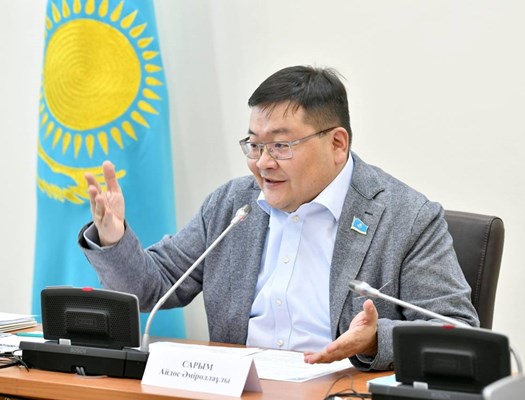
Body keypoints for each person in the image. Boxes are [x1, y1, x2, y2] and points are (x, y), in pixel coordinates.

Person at [79, 65, 478, 371]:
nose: (263, 163)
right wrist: (113, 238)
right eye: (254, 145)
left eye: (281, 145)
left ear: (337, 143)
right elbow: (153, 287)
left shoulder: (406, 218)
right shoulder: (232, 205)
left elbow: (458, 333)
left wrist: (376, 340)